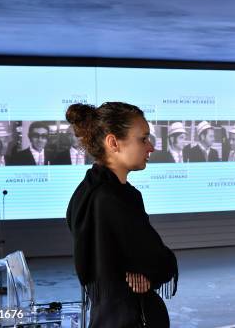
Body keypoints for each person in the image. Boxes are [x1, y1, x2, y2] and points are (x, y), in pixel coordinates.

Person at [65, 102, 178, 328]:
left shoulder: (87, 190)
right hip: (130, 319)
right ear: (113, 142)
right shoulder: (113, 199)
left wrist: (142, 269)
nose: (151, 147)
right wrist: (147, 267)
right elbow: (159, 261)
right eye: (143, 139)